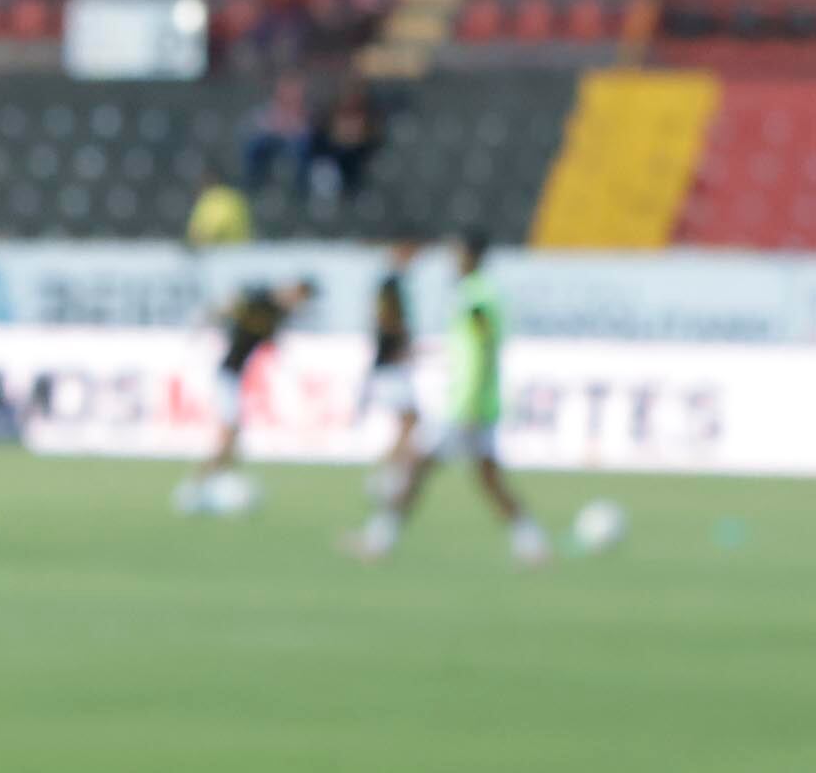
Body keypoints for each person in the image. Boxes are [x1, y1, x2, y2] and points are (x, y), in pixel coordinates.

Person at [356, 235, 551, 564]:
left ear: (470, 257)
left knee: (418, 466)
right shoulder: (480, 294)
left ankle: (379, 539)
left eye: (457, 254)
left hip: (466, 406)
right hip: (476, 403)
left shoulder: (476, 298)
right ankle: (530, 541)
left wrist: (472, 399)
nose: (452, 261)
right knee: (488, 477)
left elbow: (484, 347)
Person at [175, 274, 315, 513]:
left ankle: (217, 483)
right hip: (227, 374)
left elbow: (269, 342)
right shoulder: (261, 298)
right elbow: (230, 308)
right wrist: (207, 321)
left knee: (234, 435)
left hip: (234, 377)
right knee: (228, 435)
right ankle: (194, 488)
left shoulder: (278, 314)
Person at [361, 245, 424, 496]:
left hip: (390, 364)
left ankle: (391, 474)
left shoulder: (392, 284)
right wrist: (401, 345)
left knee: (408, 422)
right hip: (390, 365)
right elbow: (385, 320)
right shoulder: (391, 285)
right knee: (410, 420)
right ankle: (385, 476)